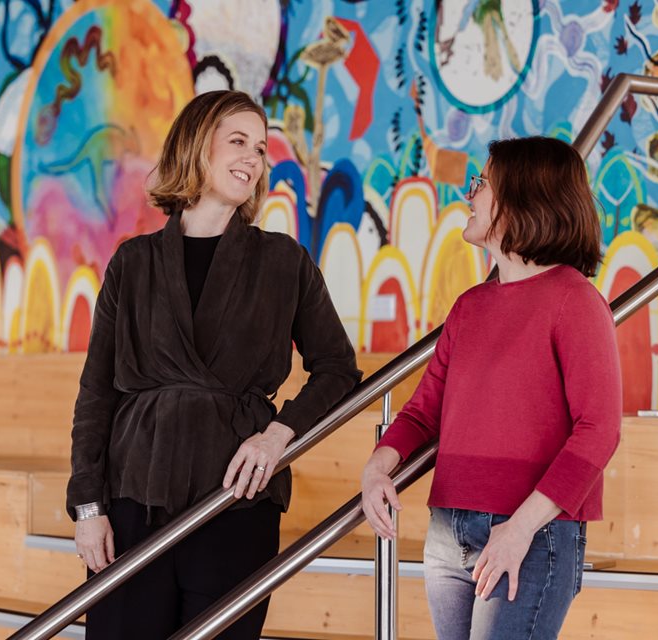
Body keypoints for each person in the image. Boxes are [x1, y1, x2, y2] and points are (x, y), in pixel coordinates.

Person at [67, 89, 361, 640]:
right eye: (238, 142)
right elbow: (96, 394)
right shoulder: (132, 263)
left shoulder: (283, 262)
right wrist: (87, 505)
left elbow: (339, 370)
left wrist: (279, 436)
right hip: (134, 499)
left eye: (260, 147)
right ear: (197, 146)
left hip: (236, 499)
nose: (253, 157)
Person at [361, 136, 622, 640]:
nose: (469, 193)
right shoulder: (469, 307)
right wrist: (377, 466)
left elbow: (599, 431)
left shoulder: (577, 302)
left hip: (533, 533)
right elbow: (422, 414)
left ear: (523, 197)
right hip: (448, 530)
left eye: (482, 183)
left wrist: (520, 528)